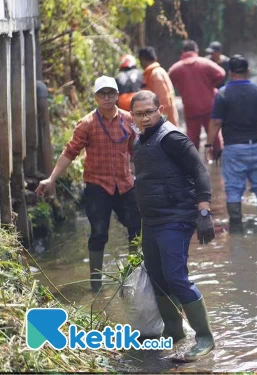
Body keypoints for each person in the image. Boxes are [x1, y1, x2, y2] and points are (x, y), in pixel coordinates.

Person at [129, 90, 216, 362]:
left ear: (160, 109)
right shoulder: (140, 141)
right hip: (152, 220)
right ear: (133, 116)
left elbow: (199, 170)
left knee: (176, 276)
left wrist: (204, 211)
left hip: (176, 216)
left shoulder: (172, 138)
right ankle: (174, 331)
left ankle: (204, 337)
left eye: (149, 112)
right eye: (139, 114)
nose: (144, 118)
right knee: (157, 276)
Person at [35, 76, 141, 293]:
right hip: (97, 186)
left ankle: (134, 276)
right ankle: (96, 285)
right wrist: (52, 178)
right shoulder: (87, 124)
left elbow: (137, 151)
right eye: (102, 94)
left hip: (125, 184)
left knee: (136, 228)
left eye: (111, 93)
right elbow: (70, 152)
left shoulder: (129, 120)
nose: (107, 98)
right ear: (95, 97)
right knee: (99, 233)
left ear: (117, 95)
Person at [206, 55, 257, 226]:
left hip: (234, 149)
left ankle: (236, 229)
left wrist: (209, 144)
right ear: (248, 71)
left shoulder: (223, 94)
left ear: (230, 72)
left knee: (233, 189)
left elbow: (216, 122)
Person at [169, 40, 226, 156]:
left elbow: (168, 83)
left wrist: (181, 88)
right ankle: (219, 162)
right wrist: (211, 85)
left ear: (182, 52)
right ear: (196, 51)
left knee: (193, 138)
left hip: (191, 108)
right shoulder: (205, 63)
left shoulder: (176, 68)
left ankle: (194, 166)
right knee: (214, 135)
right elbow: (221, 73)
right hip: (209, 105)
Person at [138, 47, 179, 126]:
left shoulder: (155, 74)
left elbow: (162, 100)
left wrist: (160, 120)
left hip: (164, 122)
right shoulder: (158, 71)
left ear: (142, 60)